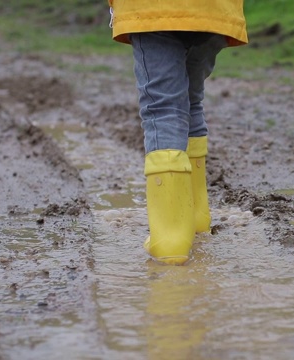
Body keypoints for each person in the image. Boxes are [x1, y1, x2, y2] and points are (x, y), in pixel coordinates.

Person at [108, 1, 248, 265]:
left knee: (163, 107)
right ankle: (195, 218)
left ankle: (170, 238)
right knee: (190, 101)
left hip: (153, 9)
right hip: (213, 9)